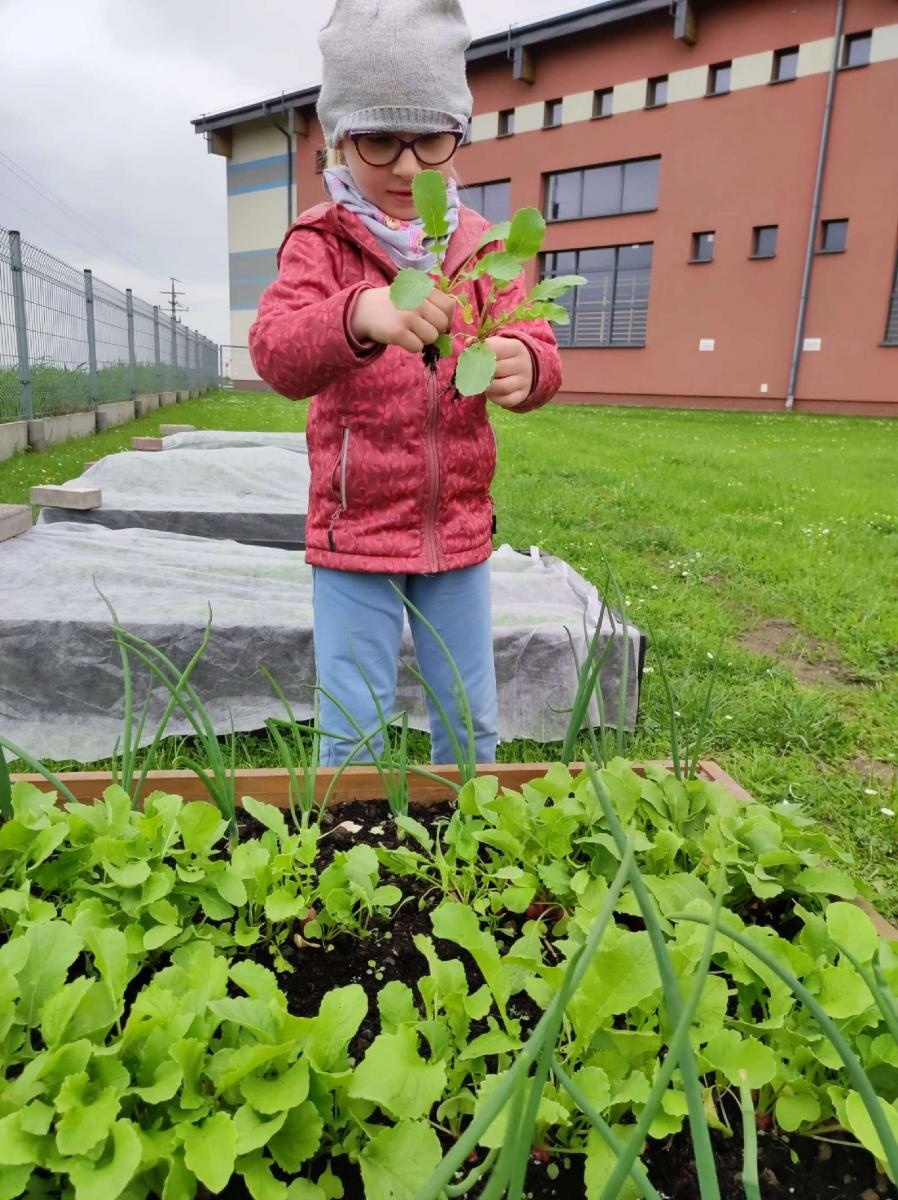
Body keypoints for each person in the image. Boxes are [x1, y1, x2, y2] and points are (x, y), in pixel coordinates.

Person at [249, 0, 563, 767]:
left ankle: (475, 839)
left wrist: (529, 365)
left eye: (430, 138)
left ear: (458, 132)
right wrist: (357, 313)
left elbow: (535, 339)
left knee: (469, 713)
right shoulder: (322, 241)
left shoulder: (483, 247)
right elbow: (275, 353)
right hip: (353, 534)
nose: (406, 166)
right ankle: (348, 851)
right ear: (337, 138)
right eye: (378, 140)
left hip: (455, 530)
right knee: (351, 726)